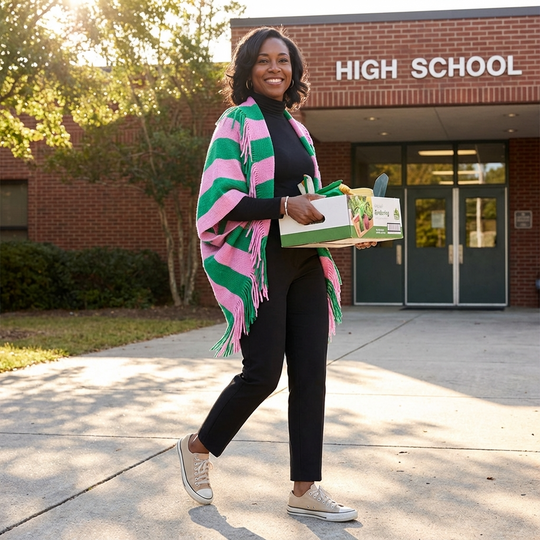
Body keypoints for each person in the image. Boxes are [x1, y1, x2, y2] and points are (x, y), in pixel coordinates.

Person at [177, 26, 375, 522]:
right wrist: (285, 203)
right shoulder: (235, 124)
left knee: (310, 374)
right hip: (260, 262)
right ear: (248, 69)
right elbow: (221, 201)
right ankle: (199, 448)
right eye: (263, 60)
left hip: (306, 262)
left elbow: (313, 205)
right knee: (262, 374)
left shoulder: (299, 129)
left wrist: (353, 227)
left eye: (283, 60)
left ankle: (305, 489)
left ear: (294, 71)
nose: (274, 68)